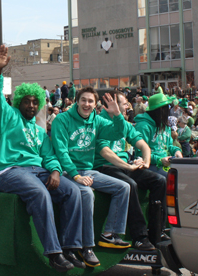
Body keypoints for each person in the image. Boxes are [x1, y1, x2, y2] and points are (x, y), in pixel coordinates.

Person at [0, 45, 85, 272]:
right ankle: (53, 253)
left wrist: (54, 171)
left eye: (35, 102)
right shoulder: (8, 116)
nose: (31, 105)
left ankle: (71, 247)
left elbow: (49, 156)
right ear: (19, 102)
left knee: (73, 191)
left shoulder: (41, 132)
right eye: (27, 101)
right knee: (40, 192)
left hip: (37, 171)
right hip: (9, 171)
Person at [51, 86, 131, 267]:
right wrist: (75, 176)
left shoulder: (98, 121)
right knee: (86, 193)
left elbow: (119, 133)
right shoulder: (61, 120)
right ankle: (86, 246)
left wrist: (118, 115)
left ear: (96, 105)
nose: (87, 104)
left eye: (91, 101)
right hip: (66, 171)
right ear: (77, 101)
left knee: (124, 187)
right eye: (83, 100)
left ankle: (109, 234)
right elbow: (61, 153)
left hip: (88, 171)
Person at [93, 91, 167, 249]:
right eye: (124, 103)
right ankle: (139, 237)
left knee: (159, 181)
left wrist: (146, 162)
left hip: (125, 166)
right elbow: (105, 152)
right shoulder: (99, 122)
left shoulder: (125, 123)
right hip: (104, 166)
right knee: (130, 184)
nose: (128, 106)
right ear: (109, 106)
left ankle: (156, 231)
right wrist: (128, 166)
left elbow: (142, 145)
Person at [134, 93, 183, 177]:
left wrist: (176, 151)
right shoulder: (143, 126)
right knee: (172, 178)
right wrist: (159, 160)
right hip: (149, 165)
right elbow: (140, 153)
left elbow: (169, 146)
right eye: (167, 108)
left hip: (166, 164)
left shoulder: (164, 125)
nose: (169, 110)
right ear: (160, 110)